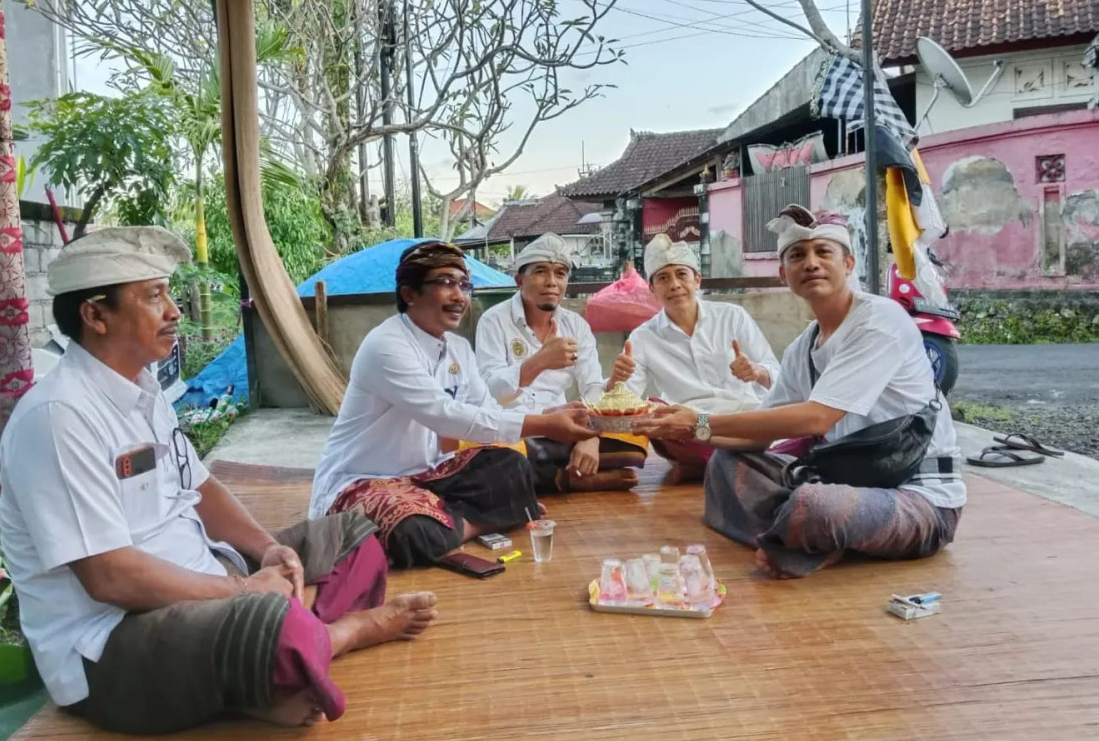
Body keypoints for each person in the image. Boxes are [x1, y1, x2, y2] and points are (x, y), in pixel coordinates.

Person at [0, 227, 438, 735]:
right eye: (153, 296)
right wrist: (245, 591)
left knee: (355, 537)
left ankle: (285, 662)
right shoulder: (58, 418)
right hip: (111, 641)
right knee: (275, 628)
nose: (174, 311)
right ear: (95, 315)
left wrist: (270, 551)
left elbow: (203, 489)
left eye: (167, 292)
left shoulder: (144, 390)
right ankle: (334, 636)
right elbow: (110, 578)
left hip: (204, 575)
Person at [635, 206, 966, 578]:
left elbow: (817, 417)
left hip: (916, 495)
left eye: (823, 252)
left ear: (849, 263)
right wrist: (693, 430)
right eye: (797, 255)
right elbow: (765, 431)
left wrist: (700, 420)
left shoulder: (881, 320)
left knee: (819, 506)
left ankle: (801, 534)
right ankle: (802, 539)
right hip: (839, 479)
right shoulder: (802, 347)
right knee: (725, 464)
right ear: (783, 273)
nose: (811, 264)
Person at [310, 241, 596, 569]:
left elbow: (488, 409)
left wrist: (547, 414)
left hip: (426, 475)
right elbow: (446, 417)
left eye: (464, 285)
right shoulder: (386, 346)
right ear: (409, 294)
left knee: (511, 464)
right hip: (363, 480)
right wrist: (544, 425)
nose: (460, 296)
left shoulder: (458, 348)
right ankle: (478, 521)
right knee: (411, 532)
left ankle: (450, 517)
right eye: (446, 283)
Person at [475, 233, 644, 493]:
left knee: (639, 435)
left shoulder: (575, 326)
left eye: (561, 273)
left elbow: (591, 388)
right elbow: (490, 392)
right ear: (519, 280)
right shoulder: (493, 321)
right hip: (522, 427)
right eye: (541, 272)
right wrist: (538, 362)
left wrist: (590, 437)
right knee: (492, 453)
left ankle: (561, 470)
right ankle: (566, 478)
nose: (552, 282)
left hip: (570, 425)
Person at [607, 234, 779, 482]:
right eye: (663, 278)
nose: (675, 284)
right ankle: (745, 456)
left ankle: (725, 457)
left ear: (697, 280)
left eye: (682, 275)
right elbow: (626, 402)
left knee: (778, 419)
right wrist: (616, 381)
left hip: (742, 420)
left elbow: (778, 374)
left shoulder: (733, 317)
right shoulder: (642, 337)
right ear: (652, 289)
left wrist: (757, 371)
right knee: (656, 410)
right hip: (690, 429)